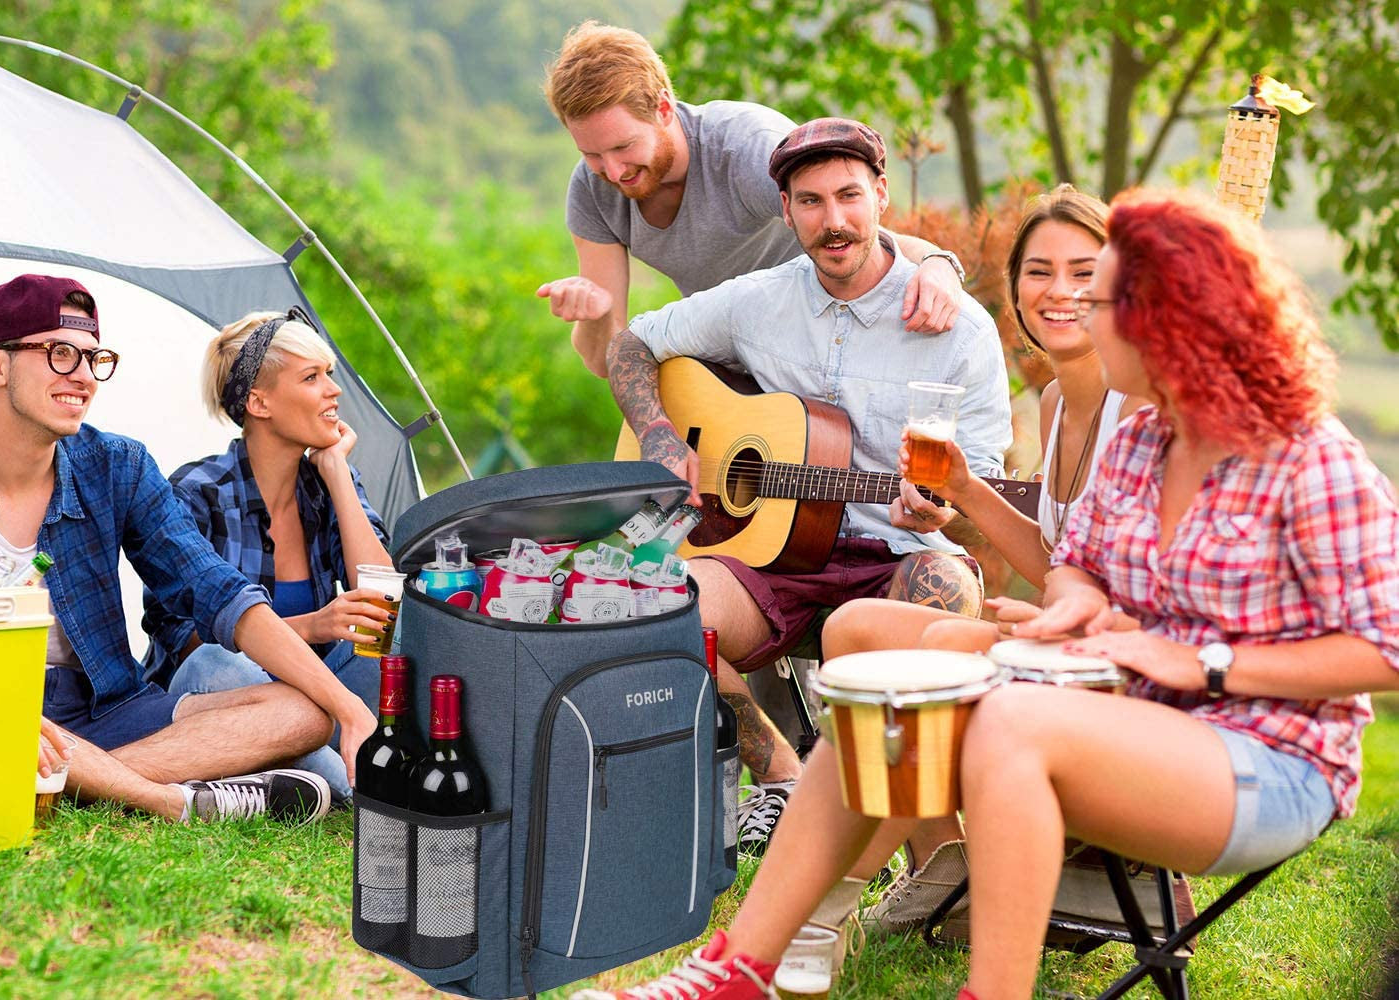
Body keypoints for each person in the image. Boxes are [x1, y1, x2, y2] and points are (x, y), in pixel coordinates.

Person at [574, 189, 1399, 1000]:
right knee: (887, 682)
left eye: (1101, 295)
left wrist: (1199, 662)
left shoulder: (1304, 457)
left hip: (1268, 756)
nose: (1080, 310)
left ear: (1170, 316)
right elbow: (1074, 561)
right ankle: (738, 970)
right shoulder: (1142, 437)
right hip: (1131, 702)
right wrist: (1075, 603)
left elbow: (1384, 650)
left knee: (1007, 719)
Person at [607, 117, 1013, 854]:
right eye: (811, 201)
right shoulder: (758, 300)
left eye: (849, 196)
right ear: (786, 211)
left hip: (897, 551)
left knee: (946, 595)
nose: (834, 221)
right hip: (776, 555)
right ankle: (782, 776)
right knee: (652, 602)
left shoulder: (959, 330)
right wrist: (662, 435)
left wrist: (940, 509)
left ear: (882, 195)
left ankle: (930, 854)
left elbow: (982, 498)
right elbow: (631, 342)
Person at [0, 274, 378, 825]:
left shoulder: (118, 466)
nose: (83, 377)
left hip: (105, 708)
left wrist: (348, 709)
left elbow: (217, 591)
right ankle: (167, 800)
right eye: (60, 355)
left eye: (92, 358)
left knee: (304, 714)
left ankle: (59, 783)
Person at [802, 185, 1153, 933]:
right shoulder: (1057, 402)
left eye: (1084, 273)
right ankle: (942, 865)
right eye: (1038, 271)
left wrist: (1057, 617)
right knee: (855, 628)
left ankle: (821, 906)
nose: (1059, 292)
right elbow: (1059, 552)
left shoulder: (1146, 405)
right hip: (1067, 638)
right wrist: (962, 486)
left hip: (1120, 662)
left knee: (926, 656)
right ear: (1017, 288)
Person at [536, 21, 969, 378]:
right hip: (729, 372)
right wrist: (596, 314)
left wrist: (937, 263)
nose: (612, 171)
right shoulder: (593, 190)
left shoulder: (748, 150)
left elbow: (856, 230)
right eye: (591, 154)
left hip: (830, 353)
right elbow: (605, 362)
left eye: (624, 146)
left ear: (664, 110)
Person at [142, 309, 396, 805]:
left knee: (394, 632)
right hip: (228, 687)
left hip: (319, 691)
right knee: (219, 661)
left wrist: (336, 471)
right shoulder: (196, 492)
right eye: (311, 377)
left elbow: (383, 600)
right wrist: (314, 626)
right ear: (259, 402)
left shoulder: (328, 484)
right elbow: (185, 641)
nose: (333, 391)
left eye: (329, 375)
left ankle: (295, 764)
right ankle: (344, 773)